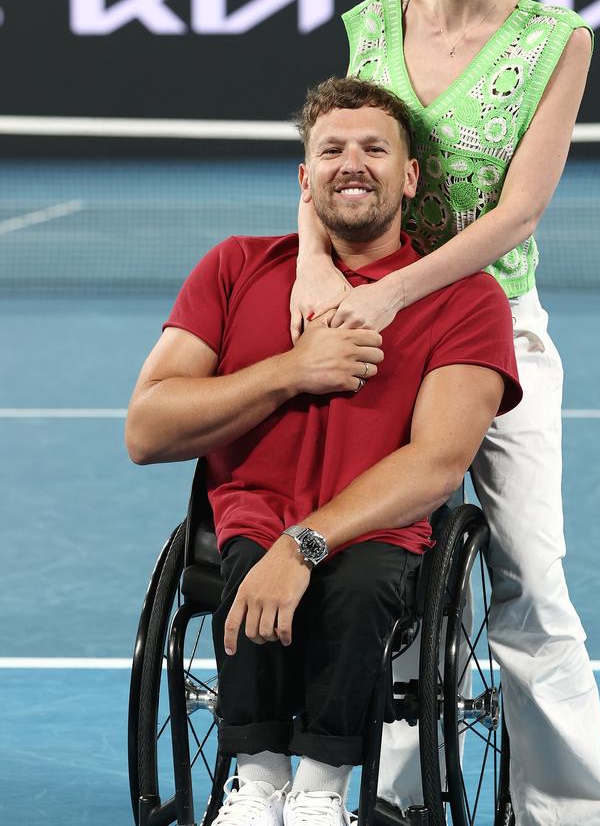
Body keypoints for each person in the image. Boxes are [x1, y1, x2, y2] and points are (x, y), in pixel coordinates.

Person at [290, 0, 600, 826]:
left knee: (531, 577)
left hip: (496, 327)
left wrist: (399, 291)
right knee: (389, 563)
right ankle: (394, 799)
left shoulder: (556, 41)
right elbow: (338, 154)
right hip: (373, 323)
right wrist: (315, 256)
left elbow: (517, 212)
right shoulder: (370, 24)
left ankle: (571, 813)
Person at [126, 76, 522, 826]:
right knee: (243, 557)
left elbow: (439, 462)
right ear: (305, 180)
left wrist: (303, 544)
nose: (353, 163)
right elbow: (148, 431)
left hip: (377, 537)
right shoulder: (236, 266)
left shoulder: (468, 300)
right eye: (332, 149)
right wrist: (291, 370)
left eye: (375, 148)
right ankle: (256, 782)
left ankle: (319, 791)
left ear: (409, 177)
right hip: (247, 527)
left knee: (362, 576)